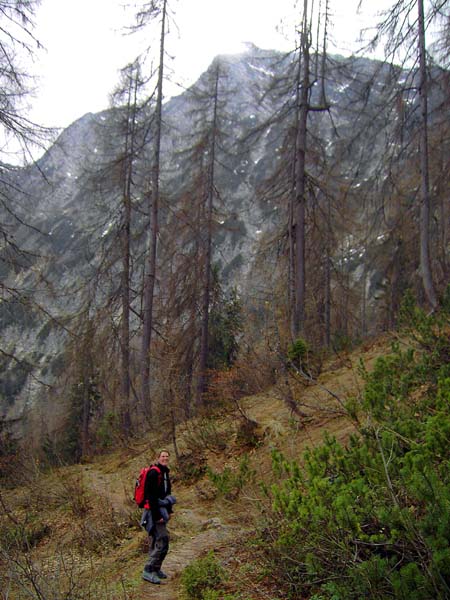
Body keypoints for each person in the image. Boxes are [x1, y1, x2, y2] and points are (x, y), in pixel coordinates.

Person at [141, 450, 175, 585]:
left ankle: (156, 568)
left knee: (158, 540)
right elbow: (151, 496)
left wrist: (169, 510)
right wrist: (157, 516)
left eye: (167, 456)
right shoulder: (154, 473)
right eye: (163, 456)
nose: (165, 458)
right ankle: (148, 570)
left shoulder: (165, 473)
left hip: (161, 511)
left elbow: (167, 495)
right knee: (162, 540)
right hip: (153, 513)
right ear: (158, 458)